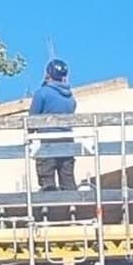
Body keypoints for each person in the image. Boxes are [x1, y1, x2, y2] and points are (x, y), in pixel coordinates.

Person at [28, 57, 77, 191]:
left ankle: (50, 208)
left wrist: (29, 133)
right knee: (68, 183)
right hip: (68, 143)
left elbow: (31, 121)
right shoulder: (71, 99)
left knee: (47, 182)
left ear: (48, 74)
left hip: (47, 144)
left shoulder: (42, 94)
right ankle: (71, 207)